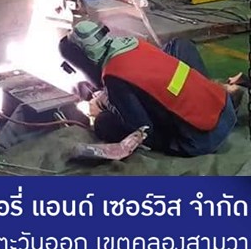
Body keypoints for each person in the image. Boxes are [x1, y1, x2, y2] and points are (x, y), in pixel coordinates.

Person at [64, 20, 238, 157]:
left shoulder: (114, 76)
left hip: (201, 139)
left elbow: (142, 129)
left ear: (86, 55)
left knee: (103, 123)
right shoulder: (136, 44)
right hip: (225, 110)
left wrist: (105, 105)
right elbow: (145, 82)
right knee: (178, 46)